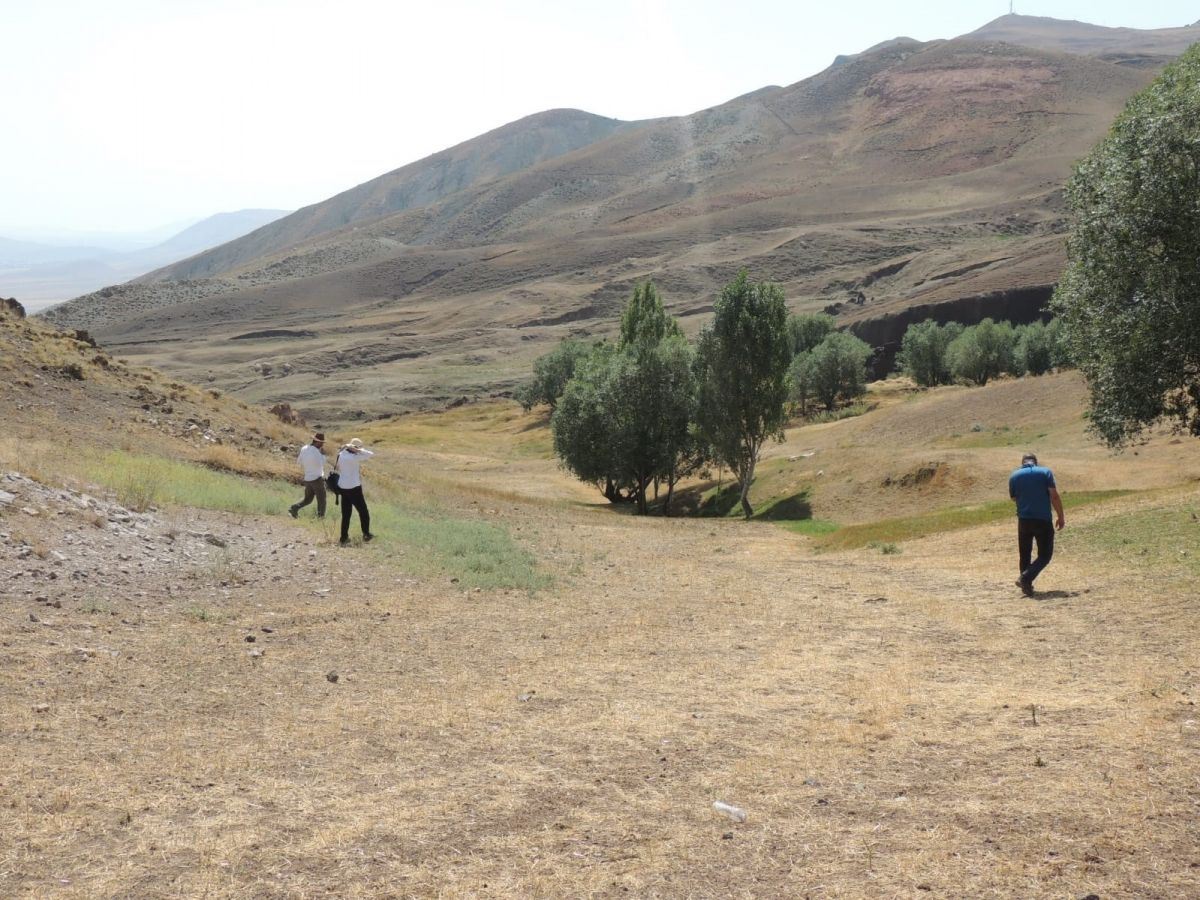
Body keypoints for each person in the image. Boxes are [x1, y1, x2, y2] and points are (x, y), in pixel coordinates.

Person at [1009, 452, 1064, 596]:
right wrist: (1061, 516)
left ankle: (1026, 586)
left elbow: (1014, 498)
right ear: (1035, 462)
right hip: (1043, 519)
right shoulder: (1045, 472)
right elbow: (1054, 495)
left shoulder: (1014, 476)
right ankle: (1025, 578)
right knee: (1045, 555)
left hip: (1024, 520)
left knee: (1025, 553)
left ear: (1023, 462)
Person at [336, 437, 374, 545]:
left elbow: (341, 451)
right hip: (354, 487)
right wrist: (357, 450)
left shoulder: (341, 454)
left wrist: (349, 447)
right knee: (363, 511)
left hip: (342, 486)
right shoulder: (354, 457)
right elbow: (370, 454)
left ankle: (343, 537)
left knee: (346, 513)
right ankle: (366, 534)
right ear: (355, 448)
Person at [289, 432, 327, 519]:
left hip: (308, 479)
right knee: (322, 500)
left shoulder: (304, 448)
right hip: (317, 479)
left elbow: (299, 462)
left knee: (308, 500)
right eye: (321, 443)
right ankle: (320, 518)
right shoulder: (317, 452)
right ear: (317, 442)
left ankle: (294, 508)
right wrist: (323, 455)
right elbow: (321, 463)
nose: (322, 445)